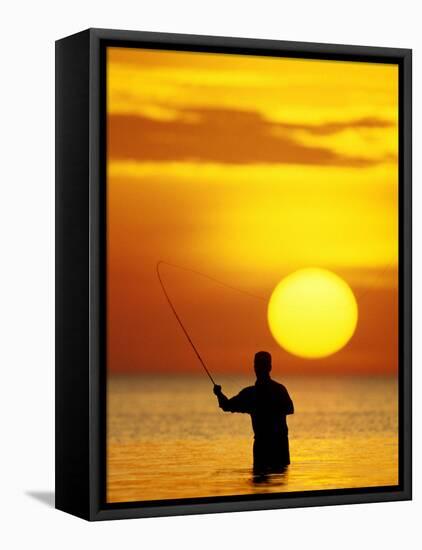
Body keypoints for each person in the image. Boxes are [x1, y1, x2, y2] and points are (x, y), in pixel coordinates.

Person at [213, 351, 294, 474]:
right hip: (276, 447)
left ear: (268, 367)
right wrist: (219, 394)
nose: (259, 367)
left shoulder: (251, 394)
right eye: (258, 364)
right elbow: (289, 409)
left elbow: (226, 405)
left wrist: (218, 394)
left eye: (261, 364)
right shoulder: (277, 390)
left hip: (271, 447)